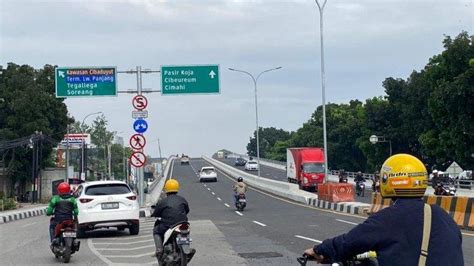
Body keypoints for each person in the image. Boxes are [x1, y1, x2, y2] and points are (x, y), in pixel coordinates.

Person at [303, 153, 463, 266]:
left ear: (390, 181)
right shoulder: (442, 215)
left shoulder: (389, 218)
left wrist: (319, 250)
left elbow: (348, 242)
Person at [151, 179, 190, 261]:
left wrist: (153, 214)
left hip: (168, 225)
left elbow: (156, 213)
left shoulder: (163, 201)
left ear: (166, 189)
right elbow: (187, 210)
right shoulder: (182, 199)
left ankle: (159, 250)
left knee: (156, 231)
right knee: (186, 232)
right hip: (182, 223)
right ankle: (187, 247)